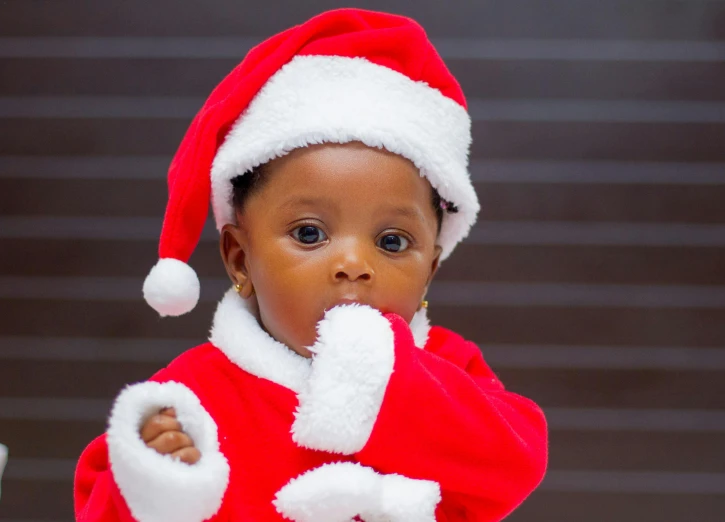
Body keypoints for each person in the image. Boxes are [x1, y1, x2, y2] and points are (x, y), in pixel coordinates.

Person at [73, 8, 548, 522]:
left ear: (430, 269)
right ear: (240, 259)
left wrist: (383, 380)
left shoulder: (448, 371)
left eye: (391, 241)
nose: (353, 264)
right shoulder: (194, 396)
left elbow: (515, 462)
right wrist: (152, 482)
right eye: (309, 234)